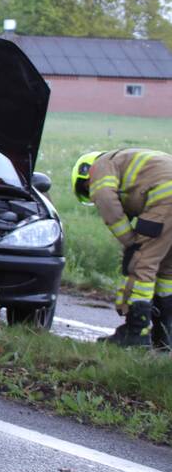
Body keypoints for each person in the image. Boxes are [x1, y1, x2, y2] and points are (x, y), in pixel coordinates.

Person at [72, 150, 172, 349]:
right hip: (164, 198)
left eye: (87, 188)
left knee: (141, 263)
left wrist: (130, 242)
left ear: (86, 174)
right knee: (167, 270)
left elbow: (106, 199)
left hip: (165, 200)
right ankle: (165, 335)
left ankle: (136, 332)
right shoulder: (128, 163)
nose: (91, 192)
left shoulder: (100, 165)